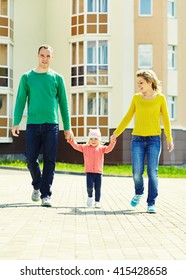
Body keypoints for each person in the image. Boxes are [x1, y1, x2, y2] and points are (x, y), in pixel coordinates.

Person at [12, 44, 73, 207]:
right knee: (31, 159)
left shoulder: (58, 78)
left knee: (50, 160)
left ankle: (45, 194)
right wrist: (16, 122)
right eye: (42, 55)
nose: (44, 59)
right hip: (32, 125)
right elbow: (20, 100)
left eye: (48, 56)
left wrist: (68, 128)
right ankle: (37, 185)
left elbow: (64, 105)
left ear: (52, 58)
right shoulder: (27, 77)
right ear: (37, 56)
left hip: (51, 125)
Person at [111, 69, 174, 214]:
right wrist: (116, 133)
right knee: (137, 172)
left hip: (154, 140)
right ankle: (139, 192)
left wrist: (169, 138)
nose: (138, 85)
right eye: (137, 82)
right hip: (137, 140)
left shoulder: (160, 99)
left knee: (152, 172)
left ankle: (151, 202)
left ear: (150, 82)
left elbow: (166, 119)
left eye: (141, 82)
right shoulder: (136, 98)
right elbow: (128, 117)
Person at [68, 129, 116, 208]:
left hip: (98, 172)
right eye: (91, 139)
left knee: (98, 188)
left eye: (95, 139)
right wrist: (71, 140)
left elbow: (109, 149)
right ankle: (90, 196)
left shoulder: (101, 148)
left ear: (99, 140)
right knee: (89, 187)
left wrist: (113, 142)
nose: (93, 141)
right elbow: (76, 146)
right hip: (89, 172)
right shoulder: (85, 147)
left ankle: (97, 202)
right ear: (89, 139)